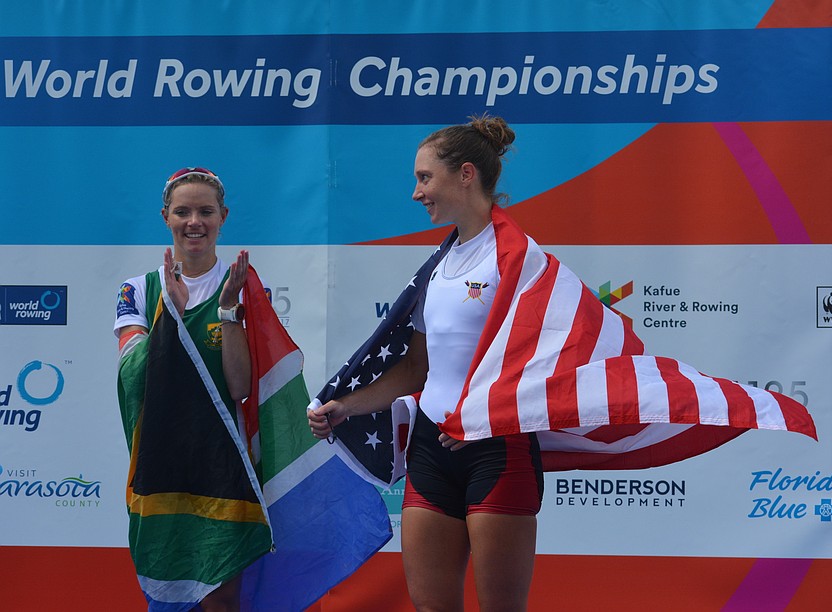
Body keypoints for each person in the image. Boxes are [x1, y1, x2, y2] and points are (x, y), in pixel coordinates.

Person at [309, 116, 541, 612]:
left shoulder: (520, 258)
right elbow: (416, 370)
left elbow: (542, 363)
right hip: (431, 450)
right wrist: (344, 406)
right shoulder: (438, 265)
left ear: (465, 174)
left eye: (423, 178)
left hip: (498, 449)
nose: (416, 193)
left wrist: (482, 418)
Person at [115, 167, 254, 611]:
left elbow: (240, 387)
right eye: (183, 211)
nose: (194, 221)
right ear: (165, 217)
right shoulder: (138, 290)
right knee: (167, 596)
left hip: (224, 461)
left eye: (205, 211)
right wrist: (167, 317)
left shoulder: (247, 287)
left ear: (223, 216)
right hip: (161, 462)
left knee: (222, 600)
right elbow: (132, 374)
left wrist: (229, 311)